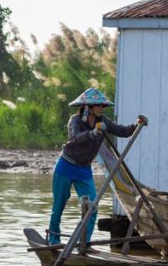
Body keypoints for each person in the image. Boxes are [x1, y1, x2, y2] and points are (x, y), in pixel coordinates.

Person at [47, 88, 147, 245]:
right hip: (66, 166)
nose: (102, 108)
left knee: (92, 205)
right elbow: (75, 136)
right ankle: (53, 239)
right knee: (59, 204)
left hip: (84, 169)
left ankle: (84, 243)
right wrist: (92, 133)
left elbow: (123, 131)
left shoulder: (103, 121)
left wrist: (137, 125)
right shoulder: (75, 120)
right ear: (88, 107)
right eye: (99, 105)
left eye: (103, 105)